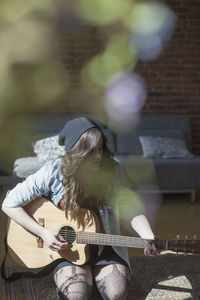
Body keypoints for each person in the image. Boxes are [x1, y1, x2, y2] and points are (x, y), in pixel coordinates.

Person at [2, 117, 159, 300]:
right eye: (91, 151)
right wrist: (43, 232)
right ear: (77, 152)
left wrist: (148, 236)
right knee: (76, 295)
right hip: (67, 250)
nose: (98, 156)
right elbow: (9, 204)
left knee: (117, 293)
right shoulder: (54, 171)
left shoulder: (113, 171)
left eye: (100, 149)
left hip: (105, 247)